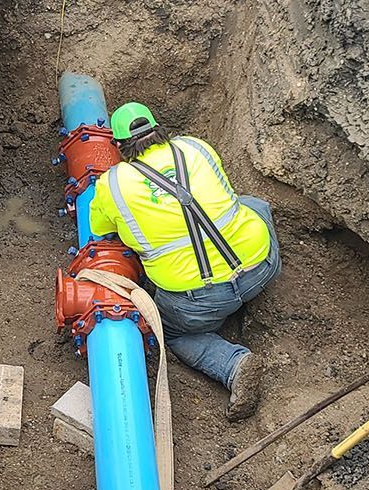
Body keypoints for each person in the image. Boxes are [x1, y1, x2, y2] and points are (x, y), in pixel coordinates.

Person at [88, 102, 281, 420]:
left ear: (118, 145)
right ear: (158, 129)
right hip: (261, 265)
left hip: (199, 303)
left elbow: (100, 230)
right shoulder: (196, 147)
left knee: (171, 331)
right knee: (250, 205)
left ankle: (233, 365)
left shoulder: (113, 184)